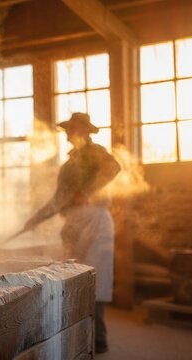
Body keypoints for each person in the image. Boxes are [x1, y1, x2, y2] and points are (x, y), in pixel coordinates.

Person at [21, 112, 120, 354]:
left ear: (85, 131)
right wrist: (36, 218)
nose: (67, 134)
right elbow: (59, 199)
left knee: (93, 278)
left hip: (95, 219)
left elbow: (115, 167)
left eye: (71, 130)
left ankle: (98, 338)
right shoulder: (68, 165)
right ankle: (76, 335)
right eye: (66, 130)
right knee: (73, 277)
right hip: (75, 223)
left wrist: (87, 191)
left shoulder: (95, 152)